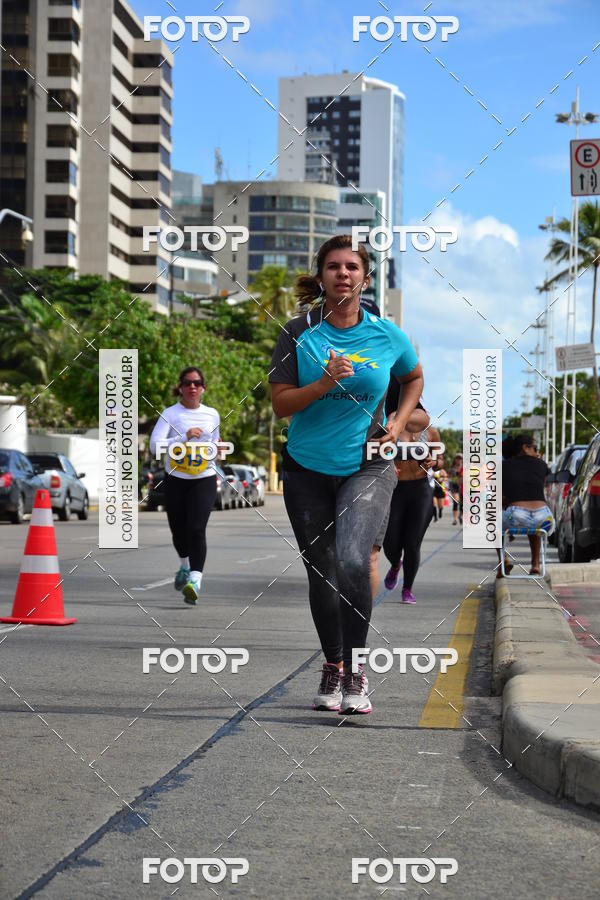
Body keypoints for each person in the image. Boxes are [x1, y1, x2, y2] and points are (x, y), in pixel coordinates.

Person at [269, 234, 424, 715]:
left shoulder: (387, 335)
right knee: (323, 572)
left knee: (355, 561)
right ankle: (333, 664)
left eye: (352, 267)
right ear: (321, 277)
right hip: (307, 468)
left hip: (368, 463)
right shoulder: (298, 333)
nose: (343, 273)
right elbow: (280, 405)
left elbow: (413, 377)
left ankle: (356, 671)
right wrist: (323, 383)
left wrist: (397, 422)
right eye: (334, 266)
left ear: (365, 278)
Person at [149, 367, 221, 605]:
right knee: (178, 531)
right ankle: (184, 566)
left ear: (203, 388)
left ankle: (195, 581)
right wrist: (184, 437)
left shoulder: (212, 414)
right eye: (188, 383)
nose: (192, 387)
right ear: (180, 387)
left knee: (197, 529)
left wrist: (217, 447)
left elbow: (214, 444)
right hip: (176, 478)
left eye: (197, 383)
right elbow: (155, 446)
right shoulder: (170, 414)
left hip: (204, 477)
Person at [381, 406, 442, 604]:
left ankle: (407, 588)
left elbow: (440, 460)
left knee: (412, 543)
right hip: (395, 489)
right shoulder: (390, 427)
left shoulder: (431, 432)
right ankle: (395, 565)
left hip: (421, 490)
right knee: (390, 542)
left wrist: (434, 462)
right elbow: (377, 453)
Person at [498, 434, 554, 576]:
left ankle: (503, 561)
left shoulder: (504, 466)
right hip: (544, 517)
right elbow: (537, 489)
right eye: (535, 448)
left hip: (516, 515)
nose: (536, 452)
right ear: (525, 448)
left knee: (492, 521)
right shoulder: (542, 464)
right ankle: (536, 565)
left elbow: (502, 497)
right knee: (534, 525)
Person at [449, 453, 463, 525]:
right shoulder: (452, 468)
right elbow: (448, 477)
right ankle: (454, 519)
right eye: (457, 458)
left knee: (462, 503)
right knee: (456, 501)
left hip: (463, 486)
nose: (458, 460)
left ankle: (460, 516)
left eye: (460, 458)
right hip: (454, 486)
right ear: (455, 459)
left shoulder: (465, 467)